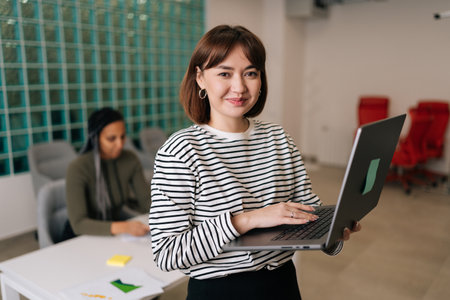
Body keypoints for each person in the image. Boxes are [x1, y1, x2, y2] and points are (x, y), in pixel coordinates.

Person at [149, 25, 361, 300]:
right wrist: (246, 220)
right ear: (200, 78)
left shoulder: (278, 137)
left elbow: (307, 209)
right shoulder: (181, 151)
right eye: (224, 73)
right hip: (220, 290)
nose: (239, 87)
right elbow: (167, 253)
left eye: (250, 73)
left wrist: (330, 232)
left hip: (282, 283)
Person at [65, 107, 150, 239]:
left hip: (113, 233)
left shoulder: (130, 159)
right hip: (81, 237)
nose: (120, 144)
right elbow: (78, 224)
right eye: (111, 139)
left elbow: (146, 200)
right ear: (95, 138)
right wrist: (125, 227)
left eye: (122, 137)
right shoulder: (78, 168)